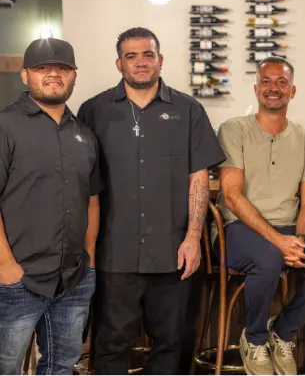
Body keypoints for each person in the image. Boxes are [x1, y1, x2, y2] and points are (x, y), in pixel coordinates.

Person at [78, 27, 225, 375]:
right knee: (111, 345)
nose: (140, 62)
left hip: (173, 252)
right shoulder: (93, 111)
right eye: (131, 56)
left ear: (160, 59)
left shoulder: (189, 110)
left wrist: (193, 238)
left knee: (170, 344)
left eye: (147, 54)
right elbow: (82, 184)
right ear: (119, 64)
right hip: (113, 254)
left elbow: (199, 177)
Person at [216, 56, 305, 376]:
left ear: (293, 91)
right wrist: (279, 241)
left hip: (289, 229)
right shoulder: (233, 129)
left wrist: (298, 240)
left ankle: (283, 330)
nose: (273, 87)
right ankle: (254, 338)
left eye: (282, 82)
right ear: (256, 88)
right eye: (267, 81)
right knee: (269, 257)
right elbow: (232, 195)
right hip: (237, 229)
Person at [0, 38, 101, 375]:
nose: (53, 74)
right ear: (25, 75)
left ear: (74, 76)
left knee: (61, 365)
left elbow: (92, 199)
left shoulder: (85, 134)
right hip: (17, 279)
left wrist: (89, 260)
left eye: (63, 68)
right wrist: (6, 266)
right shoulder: (5, 126)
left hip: (73, 279)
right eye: (43, 68)